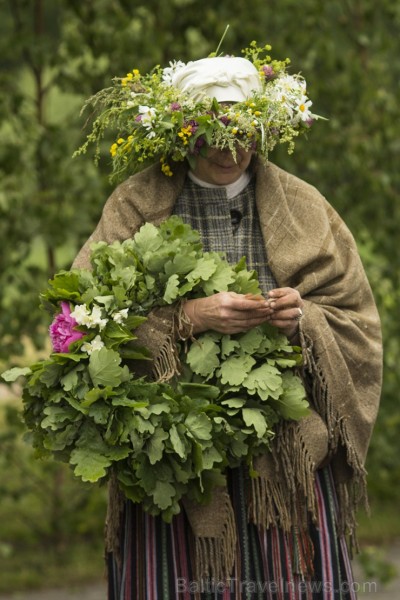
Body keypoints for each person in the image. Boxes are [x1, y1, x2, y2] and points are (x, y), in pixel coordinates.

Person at [72, 45, 382, 599]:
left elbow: (354, 321)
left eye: (243, 131)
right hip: (171, 460)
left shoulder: (304, 208)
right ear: (180, 132)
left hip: (284, 460)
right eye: (212, 132)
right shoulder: (137, 204)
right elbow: (85, 319)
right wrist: (186, 318)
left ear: (263, 129)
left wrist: (301, 320)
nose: (229, 148)